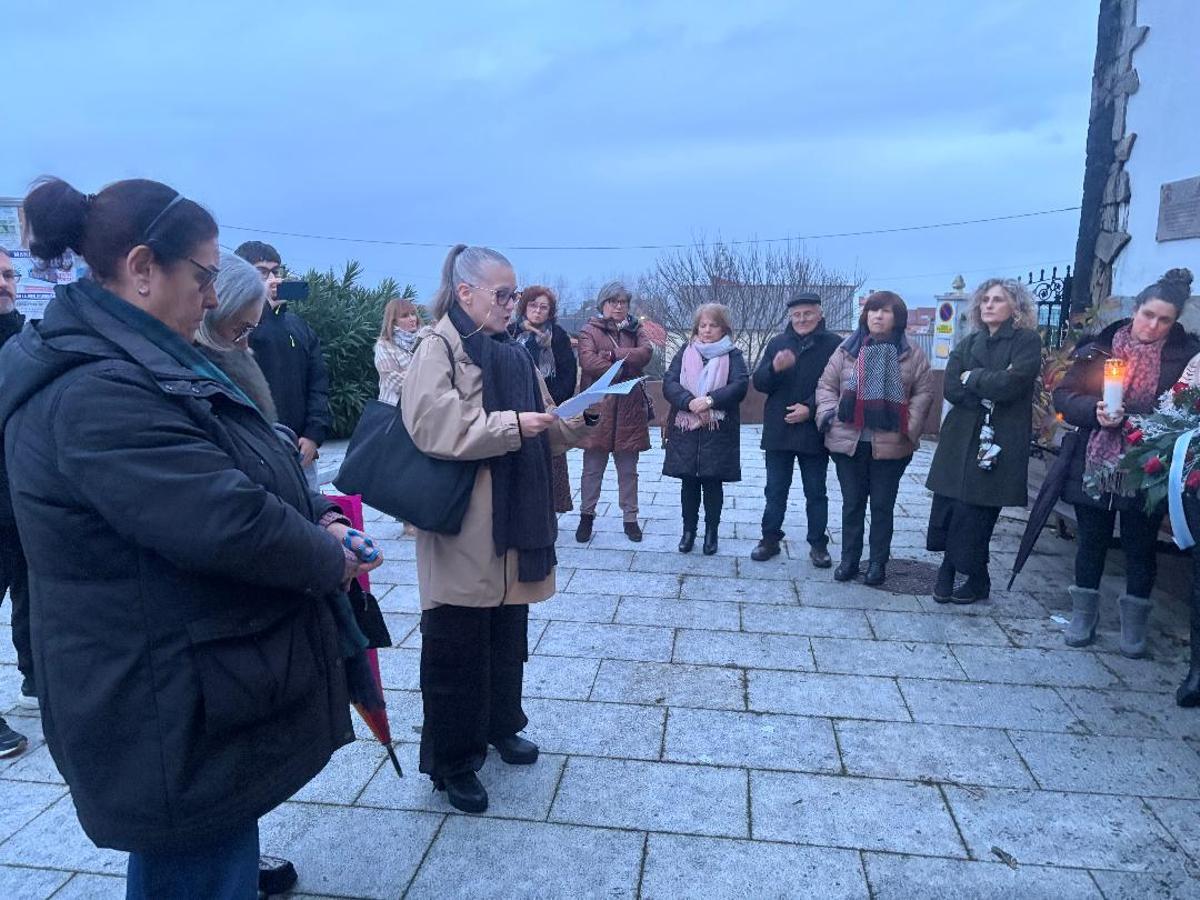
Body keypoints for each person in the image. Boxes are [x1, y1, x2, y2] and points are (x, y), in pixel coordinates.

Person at [1, 177, 382, 899]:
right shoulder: (97, 389)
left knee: (209, 846)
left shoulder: (140, 355)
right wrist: (325, 556)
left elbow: (242, 462)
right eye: (204, 276)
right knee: (193, 863)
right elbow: (225, 518)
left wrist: (319, 513)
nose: (212, 297)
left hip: (192, 672)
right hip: (161, 690)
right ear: (143, 268)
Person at [401, 244, 592, 815]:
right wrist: (512, 425)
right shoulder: (439, 346)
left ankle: (501, 724)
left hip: (515, 520)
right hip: (465, 522)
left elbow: (546, 422)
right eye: (502, 294)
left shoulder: (513, 350)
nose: (512, 303)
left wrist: (584, 415)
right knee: (456, 645)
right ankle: (453, 762)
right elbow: (433, 425)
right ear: (465, 293)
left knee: (508, 635)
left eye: (515, 293)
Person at [1054, 268, 1198, 657]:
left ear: (1174, 322)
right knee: (1091, 541)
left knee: (1140, 545)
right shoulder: (1100, 348)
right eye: (1148, 315)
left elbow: (1187, 410)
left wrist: (1147, 423)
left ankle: (1134, 625)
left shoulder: (1186, 358)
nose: (1153, 325)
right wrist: (1095, 411)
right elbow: (1064, 397)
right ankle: (1083, 616)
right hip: (1094, 460)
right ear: (1135, 310)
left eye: (1164, 319)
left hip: (1146, 464)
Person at [925, 279, 1043, 603]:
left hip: (998, 439)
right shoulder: (969, 342)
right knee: (950, 504)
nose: (989, 305)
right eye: (985, 299)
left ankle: (960, 572)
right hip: (960, 437)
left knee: (976, 511)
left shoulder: (1026, 342)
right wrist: (985, 389)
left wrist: (973, 377)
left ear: (1015, 307)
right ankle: (962, 572)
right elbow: (952, 387)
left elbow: (1012, 384)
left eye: (998, 299)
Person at [816, 291, 935, 586]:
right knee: (852, 504)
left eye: (885, 311)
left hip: (891, 445)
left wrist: (908, 426)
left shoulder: (911, 353)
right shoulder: (847, 349)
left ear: (898, 318)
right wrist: (829, 415)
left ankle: (878, 563)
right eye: (873, 310)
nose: (878, 316)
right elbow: (826, 385)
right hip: (849, 442)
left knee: (882, 506)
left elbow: (924, 392)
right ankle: (849, 560)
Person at [750, 292, 843, 567]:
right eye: (796, 315)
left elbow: (839, 385)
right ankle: (769, 539)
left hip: (814, 431)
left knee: (816, 492)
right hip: (779, 430)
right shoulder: (778, 343)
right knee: (775, 490)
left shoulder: (834, 344)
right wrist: (774, 368)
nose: (801, 319)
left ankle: (818, 544)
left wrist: (810, 408)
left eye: (807, 313)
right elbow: (760, 383)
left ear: (820, 314)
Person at [237, 240, 332, 491]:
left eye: (275, 272)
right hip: (255, 451)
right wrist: (261, 309)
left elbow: (318, 384)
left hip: (300, 450)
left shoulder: (298, 326)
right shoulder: (234, 324)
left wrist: (313, 435)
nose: (272, 279)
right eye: (262, 273)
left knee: (311, 511)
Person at [661, 304, 748, 555]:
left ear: (723, 329)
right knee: (688, 484)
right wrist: (689, 402)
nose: (707, 330)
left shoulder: (733, 355)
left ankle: (712, 532)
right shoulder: (685, 351)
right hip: (686, 430)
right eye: (703, 325)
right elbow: (670, 382)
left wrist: (710, 400)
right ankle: (688, 532)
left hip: (717, 430)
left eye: (713, 325)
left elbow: (740, 385)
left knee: (712, 484)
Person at [575, 282, 653, 542]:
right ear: (603, 304)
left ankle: (631, 519)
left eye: (623, 302)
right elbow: (588, 361)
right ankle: (586, 517)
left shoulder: (636, 329)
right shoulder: (589, 329)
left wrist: (613, 354)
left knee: (628, 472)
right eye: (613, 301)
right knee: (592, 469)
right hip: (598, 407)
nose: (619, 306)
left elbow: (646, 353)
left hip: (630, 409)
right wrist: (621, 369)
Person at [509, 285, 579, 513]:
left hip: (548, 410)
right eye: (533, 305)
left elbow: (568, 375)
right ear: (524, 307)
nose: (537, 311)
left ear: (550, 312)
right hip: (516, 411)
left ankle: (548, 516)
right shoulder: (511, 333)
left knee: (550, 469)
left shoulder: (557, 336)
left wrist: (549, 403)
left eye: (543, 307)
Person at [0, 248, 30, 755]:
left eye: (8, 274)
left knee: (37, 597)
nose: (5, 283)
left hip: (25, 498)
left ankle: (38, 678)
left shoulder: (27, 340)